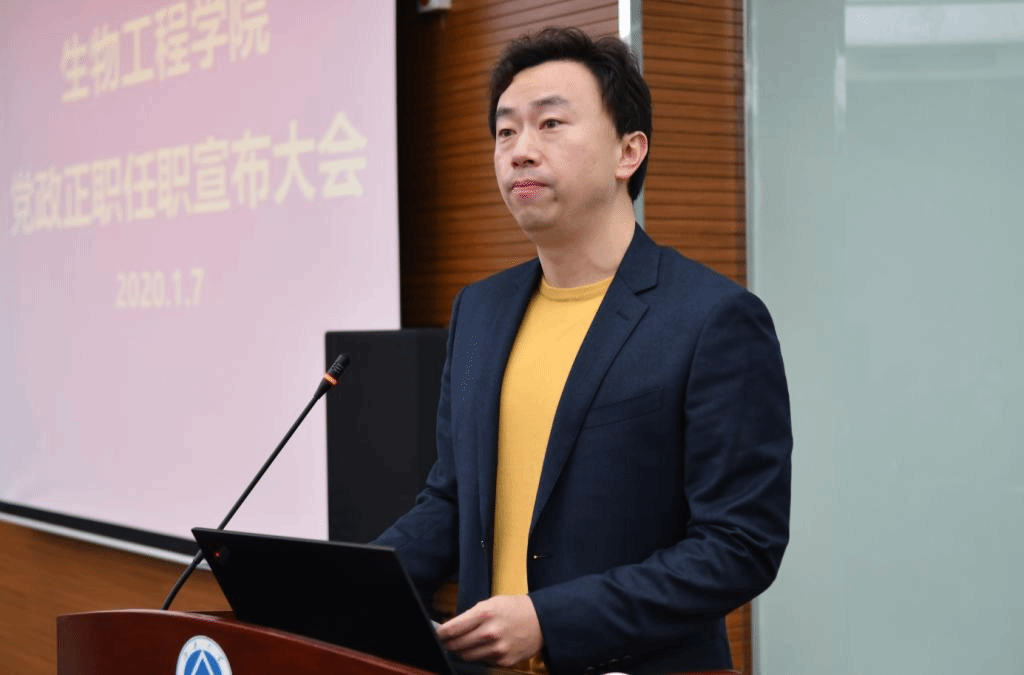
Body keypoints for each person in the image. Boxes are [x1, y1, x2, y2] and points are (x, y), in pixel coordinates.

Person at [374, 26, 792, 675]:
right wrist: (351, 583)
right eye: (505, 131)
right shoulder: (479, 310)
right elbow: (452, 500)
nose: (520, 151)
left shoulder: (713, 318)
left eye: (550, 124)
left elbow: (739, 545)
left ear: (629, 151)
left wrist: (552, 621)